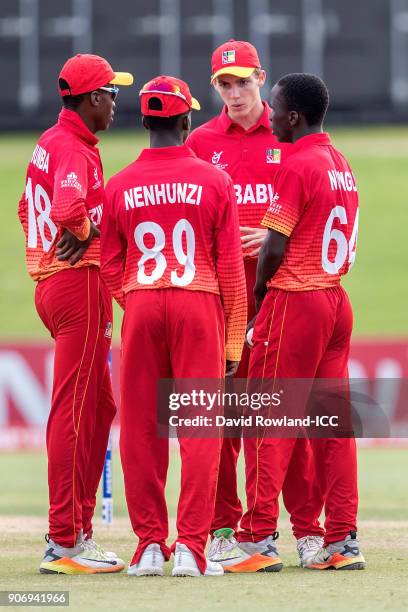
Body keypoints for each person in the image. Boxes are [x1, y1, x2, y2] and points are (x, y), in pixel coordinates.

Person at [101, 75, 247, 577]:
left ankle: (147, 547)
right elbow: (229, 267)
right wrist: (232, 339)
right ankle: (191, 547)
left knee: (141, 427)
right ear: (186, 121)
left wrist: (135, 299)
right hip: (199, 306)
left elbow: (110, 265)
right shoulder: (214, 180)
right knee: (199, 428)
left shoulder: (117, 184)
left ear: (144, 121)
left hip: (142, 306)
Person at [187, 39, 324, 570]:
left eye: (244, 82)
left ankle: (307, 529)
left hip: (280, 297)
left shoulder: (290, 131)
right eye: (225, 84)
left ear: (261, 78)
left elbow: (315, 208)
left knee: (284, 417)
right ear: (214, 87)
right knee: (221, 419)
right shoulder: (198, 141)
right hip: (220, 300)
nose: (236, 93)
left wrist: (267, 236)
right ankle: (223, 527)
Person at [238, 73, 365, 570]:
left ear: (293, 116)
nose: (268, 117)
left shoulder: (297, 165)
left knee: (271, 418)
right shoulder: (341, 164)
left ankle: (257, 540)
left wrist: (259, 294)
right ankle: (341, 541)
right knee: (333, 427)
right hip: (336, 300)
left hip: (297, 299)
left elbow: (274, 245)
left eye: (273, 109)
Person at [18, 53, 133, 574]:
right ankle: (65, 540)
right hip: (79, 286)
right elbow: (66, 210)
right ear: (91, 100)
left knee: (100, 409)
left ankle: (78, 529)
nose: (116, 103)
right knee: (75, 410)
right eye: (111, 93)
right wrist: (83, 236)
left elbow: (26, 209)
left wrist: (45, 252)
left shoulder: (50, 141)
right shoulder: (75, 150)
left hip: (54, 285)